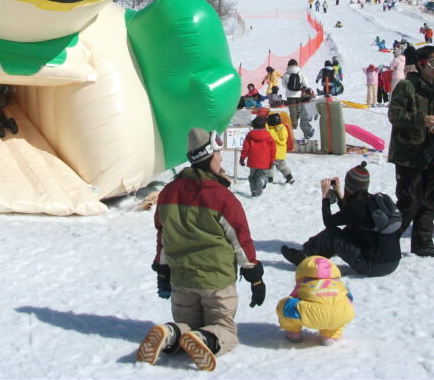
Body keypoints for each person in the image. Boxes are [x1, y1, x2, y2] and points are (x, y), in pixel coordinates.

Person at [139, 128, 266, 370]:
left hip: (182, 280)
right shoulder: (220, 197)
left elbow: (163, 237)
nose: (221, 158)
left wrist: (163, 272)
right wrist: (254, 276)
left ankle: (170, 333)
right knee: (224, 329)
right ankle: (206, 339)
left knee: (188, 326)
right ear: (207, 157)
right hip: (216, 282)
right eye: (217, 154)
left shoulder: (167, 193)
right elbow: (240, 239)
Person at [387, 45, 434, 258]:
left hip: (431, 152)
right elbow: (394, 115)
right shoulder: (407, 87)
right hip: (408, 154)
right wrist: (421, 120)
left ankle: (423, 242)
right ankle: (388, 243)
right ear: (422, 64)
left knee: (429, 200)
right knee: (409, 202)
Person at [281, 161, 403, 275]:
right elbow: (349, 215)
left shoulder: (357, 208)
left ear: (349, 186)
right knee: (349, 230)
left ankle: (303, 258)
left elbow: (329, 222)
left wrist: (325, 198)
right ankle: (308, 254)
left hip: (373, 266)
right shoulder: (372, 202)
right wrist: (339, 195)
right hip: (393, 262)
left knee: (333, 235)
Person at [276, 256, 355, 346]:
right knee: (343, 305)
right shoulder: (338, 284)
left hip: (313, 315)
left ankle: (294, 333)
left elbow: (294, 297)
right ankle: (329, 335)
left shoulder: (303, 282)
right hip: (343, 313)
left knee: (285, 305)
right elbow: (349, 297)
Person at [240, 116, 276, 196]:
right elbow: (273, 149)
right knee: (263, 175)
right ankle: (261, 181)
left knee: (252, 177)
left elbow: (246, 147)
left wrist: (242, 157)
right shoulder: (268, 136)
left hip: (253, 161)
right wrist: (271, 160)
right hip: (265, 161)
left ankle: (253, 191)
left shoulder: (250, 135)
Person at [266, 113, 294, 185]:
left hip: (272, 153)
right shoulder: (283, 129)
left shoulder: (271, 131)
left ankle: (269, 179)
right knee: (282, 167)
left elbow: (268, 133)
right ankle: (289, 177)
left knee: (269, 166)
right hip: (281, 154)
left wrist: (265, 125)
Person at [282, 59, 305, 128]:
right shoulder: (300, 72)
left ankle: (294, 124)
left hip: (289, 95)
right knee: (298, 108)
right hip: (298, 94)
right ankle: (296, 119)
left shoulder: (286, 73)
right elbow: (305, 82)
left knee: (292, 110)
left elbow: (283, 85)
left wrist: (289, 87)